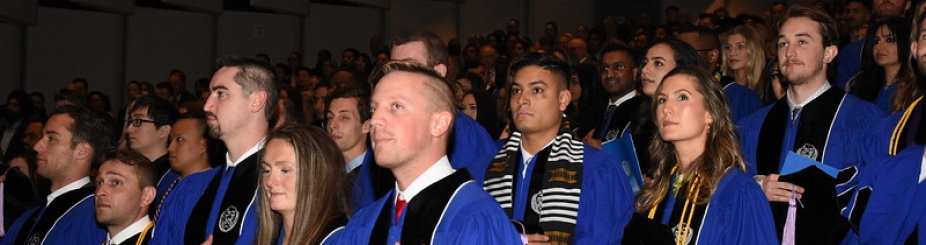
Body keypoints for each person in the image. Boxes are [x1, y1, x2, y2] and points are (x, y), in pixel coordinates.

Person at [325, 60, 521, 244]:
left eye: (396, 106)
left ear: (439, 124)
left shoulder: (475, 217)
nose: (375, 120)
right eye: (374, 108)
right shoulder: (367, 220)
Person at [736, 5, 883, 243]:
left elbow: (871, 204)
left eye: (802, 42)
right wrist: (756, 187)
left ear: (829, 53)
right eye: (783, 43)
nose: (789, 52)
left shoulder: (863, 119)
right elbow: (728, 195)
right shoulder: (753, 125)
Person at [483, 52, 634, 244]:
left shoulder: (597, 169)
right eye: (516, 90)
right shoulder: (487, 163)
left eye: (536, 90)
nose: (522, 100)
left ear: (563, 99)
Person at [624, 66, 778, 244]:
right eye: (661, 100)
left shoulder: (737, 193)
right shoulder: (657, 190)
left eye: (682, 97)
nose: (667, 108)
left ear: (710, 114)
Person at [185, 56, 278, 245]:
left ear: (256, 101)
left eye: (221, 94)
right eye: (210, 94)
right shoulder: (195, 185)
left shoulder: (283, 185)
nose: (207, 105)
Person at [390, 29, 499, 183]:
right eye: (393, 67)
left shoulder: (468, 134)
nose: (398, 75)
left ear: (438, 72)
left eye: (410, 65)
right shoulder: (384, 127)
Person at [2, 106, 110, 245]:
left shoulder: (95, 215)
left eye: (51, 138)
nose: (37, 146)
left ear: (82, 151)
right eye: (43, 137)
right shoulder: (31, 215)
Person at [258, 125, 350, 245]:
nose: (269, 181)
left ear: (317, 175)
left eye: (285, 170)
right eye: (266, 170)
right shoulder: (274, 235)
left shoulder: (339, 239)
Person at [582, 43, 655, 176]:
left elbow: (645, 162)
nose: (609, 74)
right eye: (604, 68)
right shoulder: (594, 112)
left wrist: (598, 153)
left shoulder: (647, 112)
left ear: (634, 73)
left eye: (618, 67)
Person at [148, 112, 218, 244]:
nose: (170, 147)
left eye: (179, 140)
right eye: (170, 140)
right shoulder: (177, 182)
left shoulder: (206, 187)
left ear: (203, 146)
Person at [324, 86, 393, 211]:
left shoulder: (381, 178)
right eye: (330, 117)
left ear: (366, 126)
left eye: (344, 118)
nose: (332, 125)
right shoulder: (325, 171)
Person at [847, 18, 911, 113]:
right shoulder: (865, 84)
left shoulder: (912, 89)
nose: (879, 47)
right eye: (876, 41)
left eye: (889, 40)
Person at [95, 149, 157, 245]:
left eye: (116, 182)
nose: (100, 192)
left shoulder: (161, 240)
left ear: (146, 196)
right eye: (99, 183)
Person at [125, 95, 178, 185]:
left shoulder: (171, 176)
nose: (129, 129)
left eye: (138, 121)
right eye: (131, 121)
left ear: (163, 131)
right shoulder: (131, 168)